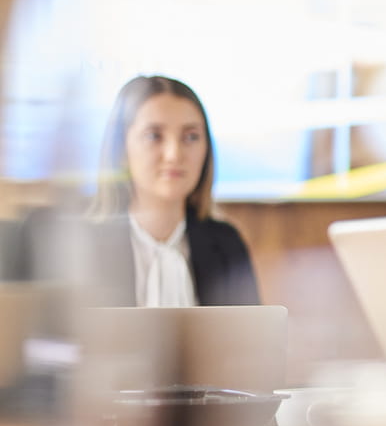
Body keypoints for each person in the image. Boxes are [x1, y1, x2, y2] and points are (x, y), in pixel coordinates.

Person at [85, 75, 260, 307]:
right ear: (122, 150)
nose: (174, 154)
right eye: (154, 136)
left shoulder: (226, 245)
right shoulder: (82, 246)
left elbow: (254, 340)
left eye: (191, 137)